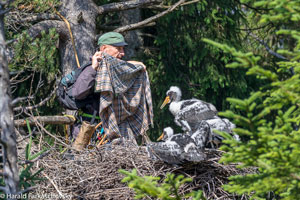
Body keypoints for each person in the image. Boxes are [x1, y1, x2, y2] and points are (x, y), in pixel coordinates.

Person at [71, 32, 153, 144]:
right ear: (104, 48)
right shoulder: (90, 69)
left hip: (115, 131)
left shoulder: (117, 71)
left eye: (123, 49)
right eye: (118, 48)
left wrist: (134, 66)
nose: (122, 53)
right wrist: (93, 69)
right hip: (89, 132)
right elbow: (77, 93)